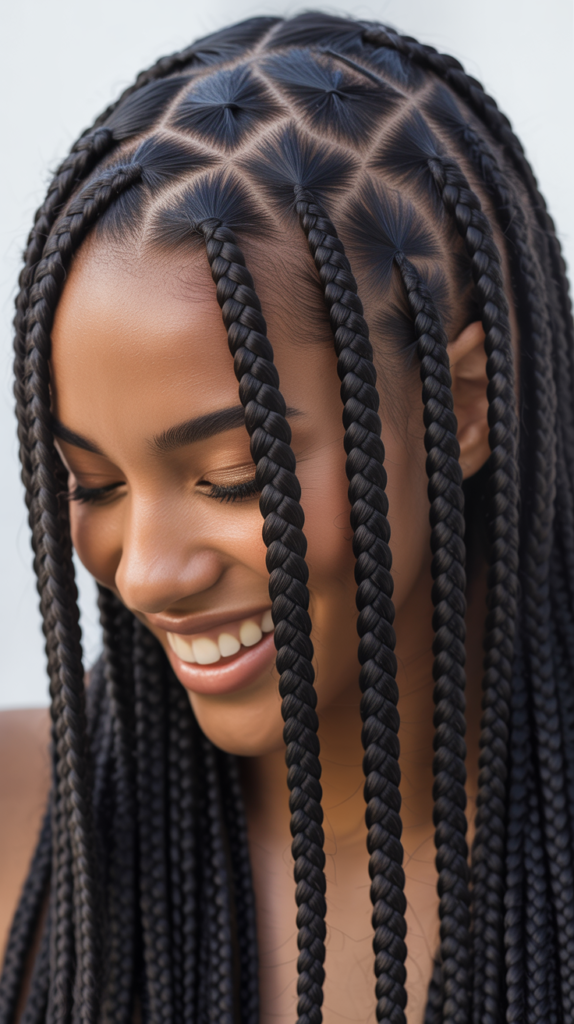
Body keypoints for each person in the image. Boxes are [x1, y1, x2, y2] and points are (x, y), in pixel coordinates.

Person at [0, 11, 572, 1024]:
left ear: (469, 403)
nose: (146, 572)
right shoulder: (25, 833)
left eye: (228, 474)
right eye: (93, 483)